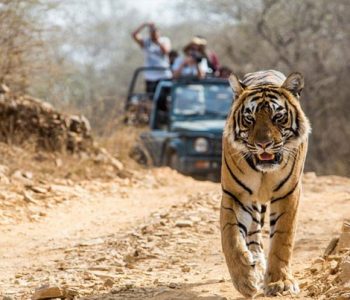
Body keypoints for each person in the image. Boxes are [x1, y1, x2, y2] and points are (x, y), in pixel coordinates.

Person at [132, 22, 172, 94]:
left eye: (155, 31)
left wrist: (157, 41)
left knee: (164, 97)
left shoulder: (165, 40)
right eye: (152, 32)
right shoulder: (146, 42)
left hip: (164, 74)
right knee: (151, 97)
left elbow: (166, 51)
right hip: (150, 76)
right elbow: (134, 35)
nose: (154, 33)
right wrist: (144, 25)